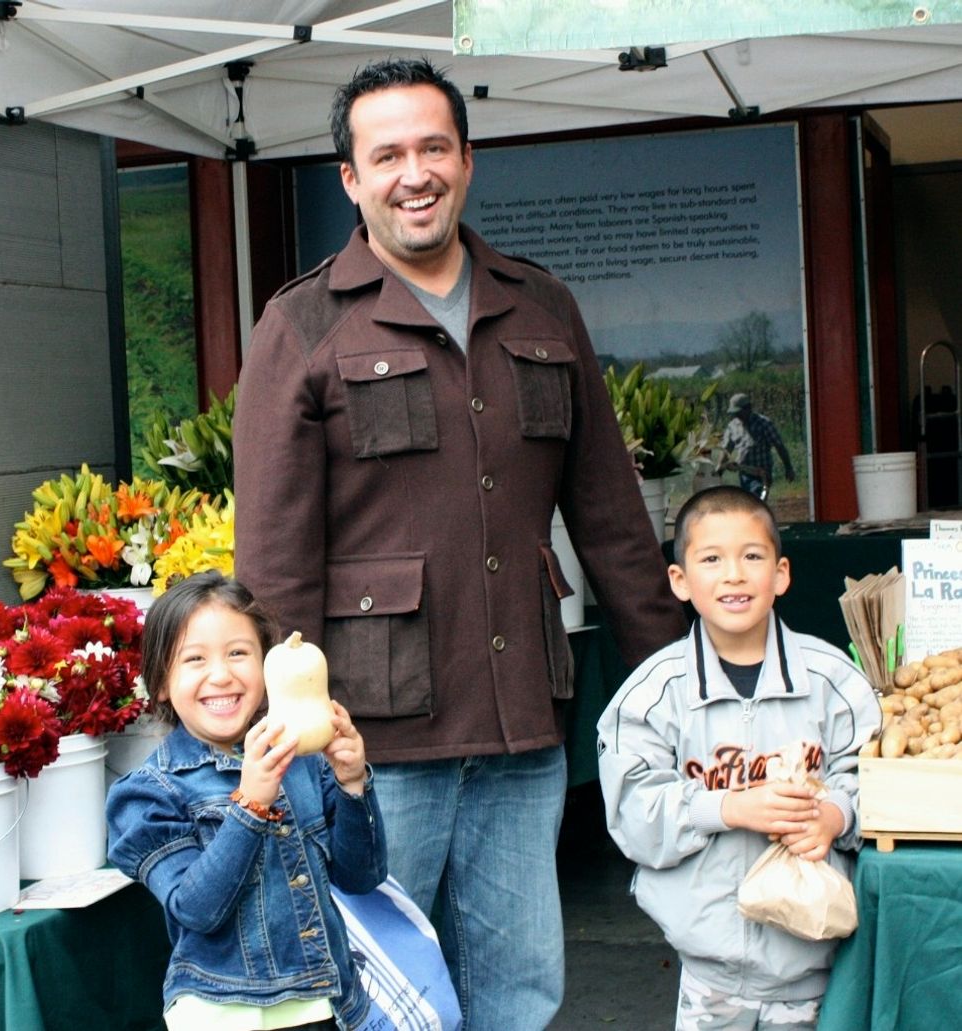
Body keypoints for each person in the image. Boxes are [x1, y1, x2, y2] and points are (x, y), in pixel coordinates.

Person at [232, 57, 687, 1030]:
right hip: (366, 743)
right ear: (350, 180)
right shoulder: (301, 323)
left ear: (467, 161)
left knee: (518, 991)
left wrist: (673, 688)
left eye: (431, 146)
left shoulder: (540, 305)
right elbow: (272, 560)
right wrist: (287, 744)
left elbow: (609, 515)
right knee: (372, 994)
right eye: (385, 153)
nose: (413, 172)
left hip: (523, 719)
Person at [597, 486, 881, 1030]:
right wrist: (729, 808)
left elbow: (883, 781)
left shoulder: (834, 682)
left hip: (817, 962)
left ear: (781, 574)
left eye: (752, 557)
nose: (733, 575)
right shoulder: (655, 693)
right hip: (710, 976)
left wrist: (836, 815)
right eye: (711, 559)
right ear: (679, 581)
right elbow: (633, 813)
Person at [106, 571, 387, 1031]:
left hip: (325, 1004)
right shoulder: (147, 793)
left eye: (239, 653)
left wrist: (353, 783)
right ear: (159, 682)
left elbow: (362, 877)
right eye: (194, 659)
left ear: (267, 667)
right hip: (223, 1015)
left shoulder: (304, 761)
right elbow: (195, 909)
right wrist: (251, 804)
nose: (221, 675)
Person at [721, 393, 795, 499]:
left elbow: (779, 446)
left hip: (762, 475)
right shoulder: (732, 426)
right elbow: (726, 450)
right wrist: (718, 471)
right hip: (744, 474)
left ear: (748, 408)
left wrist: (788, 468)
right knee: (748, 505)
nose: (737, 416)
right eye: (735, 413)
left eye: (739, 413)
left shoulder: (764, 423)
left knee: (757, 500)